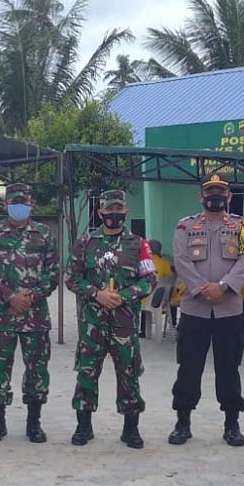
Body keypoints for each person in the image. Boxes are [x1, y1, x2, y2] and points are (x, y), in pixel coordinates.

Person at [169, 174, 244, 447]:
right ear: (201, 197)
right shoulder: (186, 227)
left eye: (220, 192)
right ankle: (183, 422)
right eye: (210, 193)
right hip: (195, 309)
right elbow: (181, 261)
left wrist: (225, 287)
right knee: (188, 368)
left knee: (229, 368)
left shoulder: (242, 227)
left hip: (228, 310)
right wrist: (202, 289)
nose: (215, 197)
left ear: (229, 197)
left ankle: (232, 424)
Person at [66, 189, 156, 449]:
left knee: (128, 372)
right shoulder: (85, 243)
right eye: (109, 210)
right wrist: (97, 294)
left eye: (119, 210)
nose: (114, 214)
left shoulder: (138, 244)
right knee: (86, 372)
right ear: (100, 212)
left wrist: (124, 295)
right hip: (92, 321)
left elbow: (149, 279)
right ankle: (84, 426)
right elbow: (72, 278)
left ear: (125, 212)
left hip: (124, 321)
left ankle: (131, 429)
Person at [0, 183, 60, 444]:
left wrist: (30, 297)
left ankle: (34, 423)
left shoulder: (45, 234)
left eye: (23, 202)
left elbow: (53, 273)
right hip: (3, 314)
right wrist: (10, 296)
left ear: (31, 204)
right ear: (6, 205)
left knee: (37, 370)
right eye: (14, 202)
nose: (19, 206)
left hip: (35, 316)